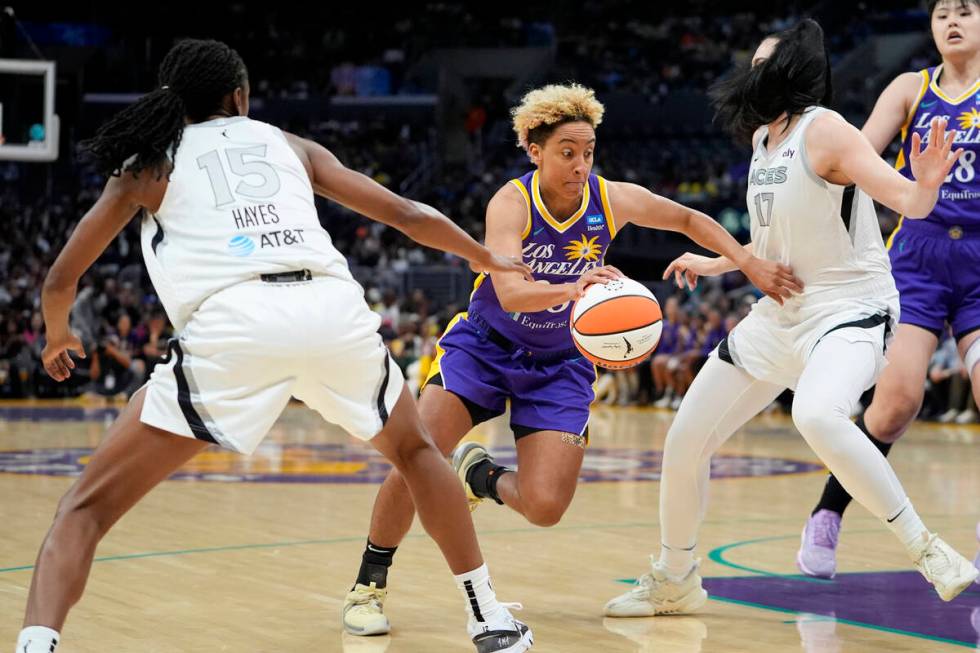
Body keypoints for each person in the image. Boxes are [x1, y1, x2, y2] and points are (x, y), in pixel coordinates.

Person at [15, 39, 537, 653]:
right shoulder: (290, 144)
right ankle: (489, 618)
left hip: (235, 322)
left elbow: (59, 280)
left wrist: (58, 333)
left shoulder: (146, 164)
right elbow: (405, 214)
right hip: (329, 310)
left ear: (171, 101)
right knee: (419, 453)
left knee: (84, 509)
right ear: (239, 97)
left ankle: (36, 643)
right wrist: (484, 256)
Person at [342, 83, 801, 637]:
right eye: (567, 152)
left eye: (587, 152)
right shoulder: (510, 203)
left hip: (560, 361)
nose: (580, 164)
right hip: (486, 347)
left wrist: (746, 261)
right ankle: (369, 584)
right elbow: (510, 293)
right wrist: (573, 286)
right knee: (418, 453)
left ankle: (479, 476)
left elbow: (687, 220)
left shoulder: (611, 198)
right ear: (535, 151)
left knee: (545, 506)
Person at [603, 19, 978, 620]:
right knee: (683, 442)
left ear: (791, 71)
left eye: (763, 61)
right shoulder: (761, 143)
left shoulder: (825, 130)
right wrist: (724, 261)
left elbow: (906, 200)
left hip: (851, 311)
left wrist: (927, 181)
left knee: (815, 413)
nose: (751, 72)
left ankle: (927, 548)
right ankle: (675, 577)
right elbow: (774, 242)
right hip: (780, 316)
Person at [797, 0, 980, 579]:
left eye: (967, 11)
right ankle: (828, 512)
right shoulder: (910, 87)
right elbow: (857, 157)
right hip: (917, 260)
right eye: (942, 13)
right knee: (896, 404)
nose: (952, 21)